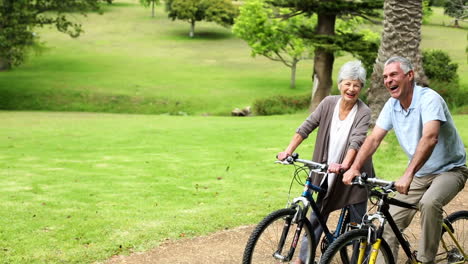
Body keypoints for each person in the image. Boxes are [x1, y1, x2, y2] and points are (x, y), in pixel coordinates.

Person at [343, 56, 468, 263]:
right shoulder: (392, 105)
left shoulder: (429, 99)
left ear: (409, 76)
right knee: (388, 222)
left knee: (429, 203)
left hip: (450, 170)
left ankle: (425, 260)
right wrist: (354, 167)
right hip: (421, 174)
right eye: (385, 77)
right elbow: (374, 138)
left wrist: (408, 174)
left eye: (393, 74)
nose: (388, 80)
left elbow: (430, 138)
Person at [277, 60, 374, 264]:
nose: (351, 89)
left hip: (351, 175)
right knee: (316, 215)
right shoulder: (329, 103)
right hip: (325, 170)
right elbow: (306, 126)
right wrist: (288, 151)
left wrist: (344, 165)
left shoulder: (363, 111)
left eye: (357, 85)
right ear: (340, 84)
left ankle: (360, 261)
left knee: (358, 222)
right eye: (348, 83)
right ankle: (304, 258)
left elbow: (356, 141)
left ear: (361, 88)